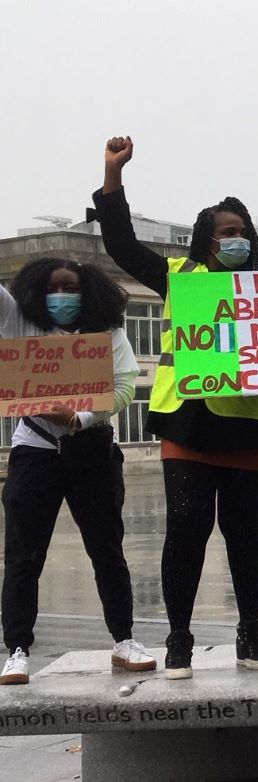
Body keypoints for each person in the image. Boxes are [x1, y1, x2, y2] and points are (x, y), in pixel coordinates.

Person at [91, 137, 258, 679]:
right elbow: (122, 245)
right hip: (187, 419)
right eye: (228, 233)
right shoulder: (179, 276)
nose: (238, 239)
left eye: (244, 232)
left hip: (249, 420)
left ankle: (250, 631)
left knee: (244, 532)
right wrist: (113, 175)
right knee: (186, 525)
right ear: (206, 239)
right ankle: (179, 637)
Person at [0, 260, 149, 685]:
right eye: (53, 288)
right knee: (24, 558)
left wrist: (78, 417)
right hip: (35, 450)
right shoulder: (20, 323)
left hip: (92, 451)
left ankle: (124, 640)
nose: (61, 295)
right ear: (35, 292)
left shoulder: (110, 333)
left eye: (71, 288)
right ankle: (18, 650)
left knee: (107, 551)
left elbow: (123, 389)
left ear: (89, 293)